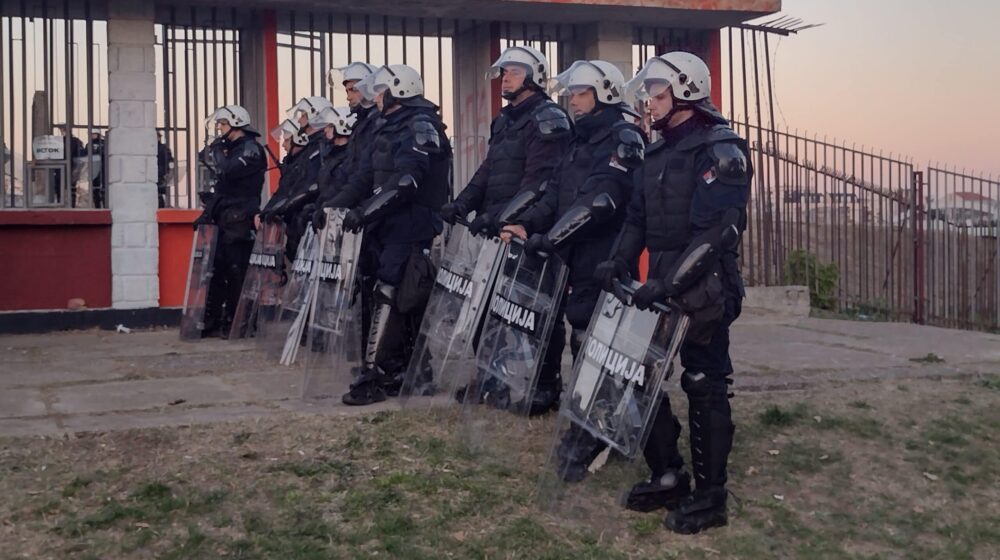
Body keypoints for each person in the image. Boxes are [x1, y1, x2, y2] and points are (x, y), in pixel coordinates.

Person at [597, 51, 752, 534]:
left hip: (705, 286)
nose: (649, 100)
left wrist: (669, 283)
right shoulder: (657, 151)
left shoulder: (721, 150)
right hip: (659, 284)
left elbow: (718, 233)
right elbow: (637, 219)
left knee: (704, 382)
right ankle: (667, 473)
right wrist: (618, 260)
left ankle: (711, 496)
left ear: (686, 91)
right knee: (633, 372)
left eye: (657, 91)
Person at [498, 60, 644, 419]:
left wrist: (551, 239)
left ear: (604, 93)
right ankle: (576, 404)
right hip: (571, 251)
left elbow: (599, 201)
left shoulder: (623, 139)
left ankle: (607, 415)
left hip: (604, 251)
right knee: (567, 320)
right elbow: (554, 194)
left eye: (580, 93)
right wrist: (525, 225)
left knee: (595, 332)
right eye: (572, 94)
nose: (573, 101)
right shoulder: (578, 140)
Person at [324, 64, 453, 406]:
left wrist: (365, 212)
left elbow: (407, 182)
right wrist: (331, 207)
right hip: (386, 224)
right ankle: (407, 371)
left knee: (394, 293)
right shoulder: (386, 127)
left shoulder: (420, 125)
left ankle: (376, 375)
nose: (376, 97)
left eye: (381, 91)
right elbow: (364, 177)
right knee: (393, 295)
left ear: (400, 90)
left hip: (410, 225)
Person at [440, 46, 570, 235]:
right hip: (497, 229)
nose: (506, 78)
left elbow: (539, 182)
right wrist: (461, 203)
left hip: (525, 230)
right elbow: (488, 170)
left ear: (535, 76)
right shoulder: (504, 121)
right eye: (504, 72)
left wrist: (499, 218)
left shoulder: (548, 118)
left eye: (515, 72)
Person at [195, 105, 267, 338]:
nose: (219, 129)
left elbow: (228, 171)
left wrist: (217, 150)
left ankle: (239, 323)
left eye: (223, 124)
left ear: (236, 123)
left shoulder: (251, 149)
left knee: (237, 271)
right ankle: (214, 320)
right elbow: (223, 187)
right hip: (224, 218)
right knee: (216, 270)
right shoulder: (233, 148)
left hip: (240, 219)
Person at [156, 132, 174, 208]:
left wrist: (169, 172)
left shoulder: (163, 148)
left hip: (160, 173)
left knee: (158, 191)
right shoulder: (163, 148)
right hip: (159, 173)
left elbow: (170, 161)